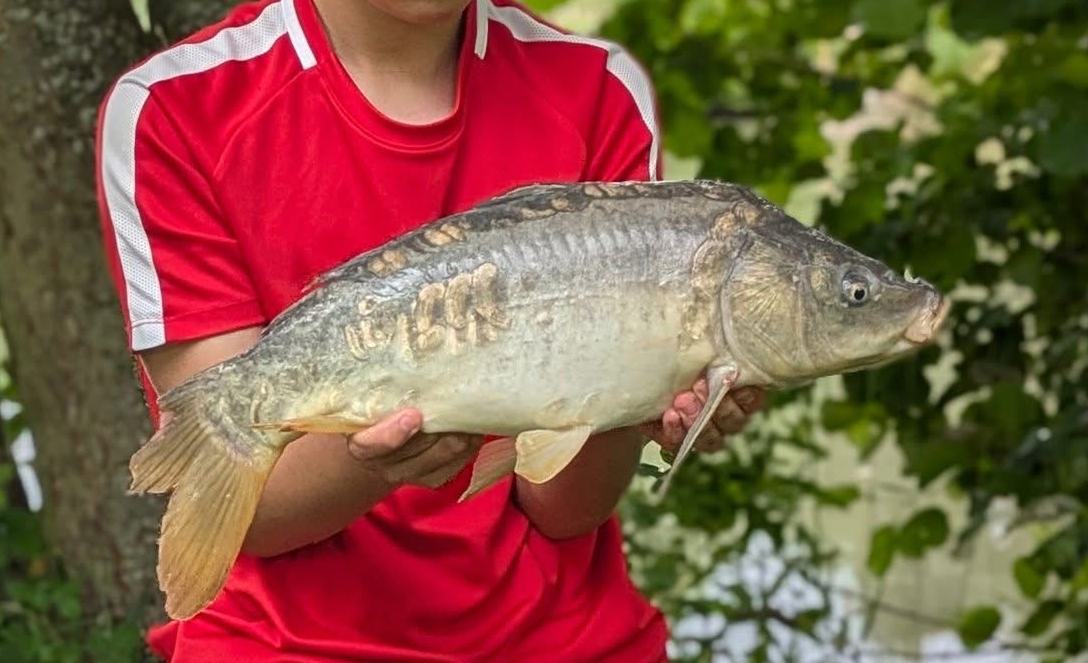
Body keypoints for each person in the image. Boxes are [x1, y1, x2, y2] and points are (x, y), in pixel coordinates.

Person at [95, 0, 767, 660]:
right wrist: (377, 457)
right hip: (286, 643)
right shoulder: (175, 106)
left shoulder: (595, 86)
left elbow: (564, 509)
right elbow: (256, 515)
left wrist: (644, 391)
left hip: (561, 637)